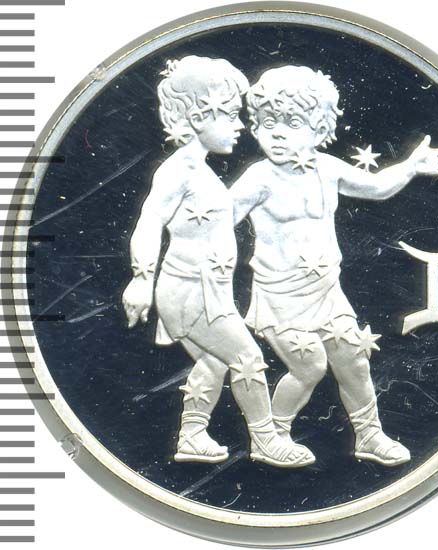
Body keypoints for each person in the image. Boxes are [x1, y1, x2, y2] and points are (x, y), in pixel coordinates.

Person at [229, 66, 438, 465]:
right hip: (280, 296)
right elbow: (218, 220)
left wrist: (409, 166)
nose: (277, 133)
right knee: (309, 366)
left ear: (319, 129)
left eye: (292, 123)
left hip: (326, 291)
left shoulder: (328, 169)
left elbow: (376, 187)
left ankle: (368, 434)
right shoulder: (257, 178)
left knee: (354, 358)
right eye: (267, 123)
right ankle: (272, 436)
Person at [122, 57, 314, 468]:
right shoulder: (179, 170)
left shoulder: (200, 170)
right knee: (247, 359)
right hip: (191, 289)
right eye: (229, 115)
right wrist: (140, 278)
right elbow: (149, 220)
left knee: (214, 361)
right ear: (197, 118)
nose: (240, 125)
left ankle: (192, 434)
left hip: (208, 289)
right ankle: (265, 440)